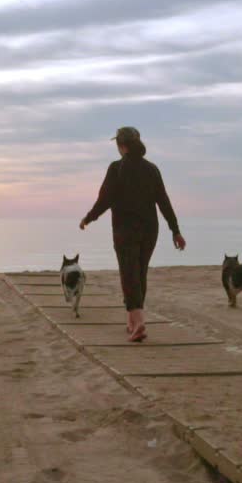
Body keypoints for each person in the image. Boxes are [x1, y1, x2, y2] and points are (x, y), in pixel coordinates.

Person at [79, 126, 186, 342]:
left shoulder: (116, 168)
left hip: (125, 230)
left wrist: (89, 218)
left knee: (129, 274)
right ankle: (131, 322)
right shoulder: (152, 169)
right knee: (139, 273)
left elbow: (105, 200)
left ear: (121, 146)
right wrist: (175, 230)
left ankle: (139, 323)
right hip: (149, 230)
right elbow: (164, 202)